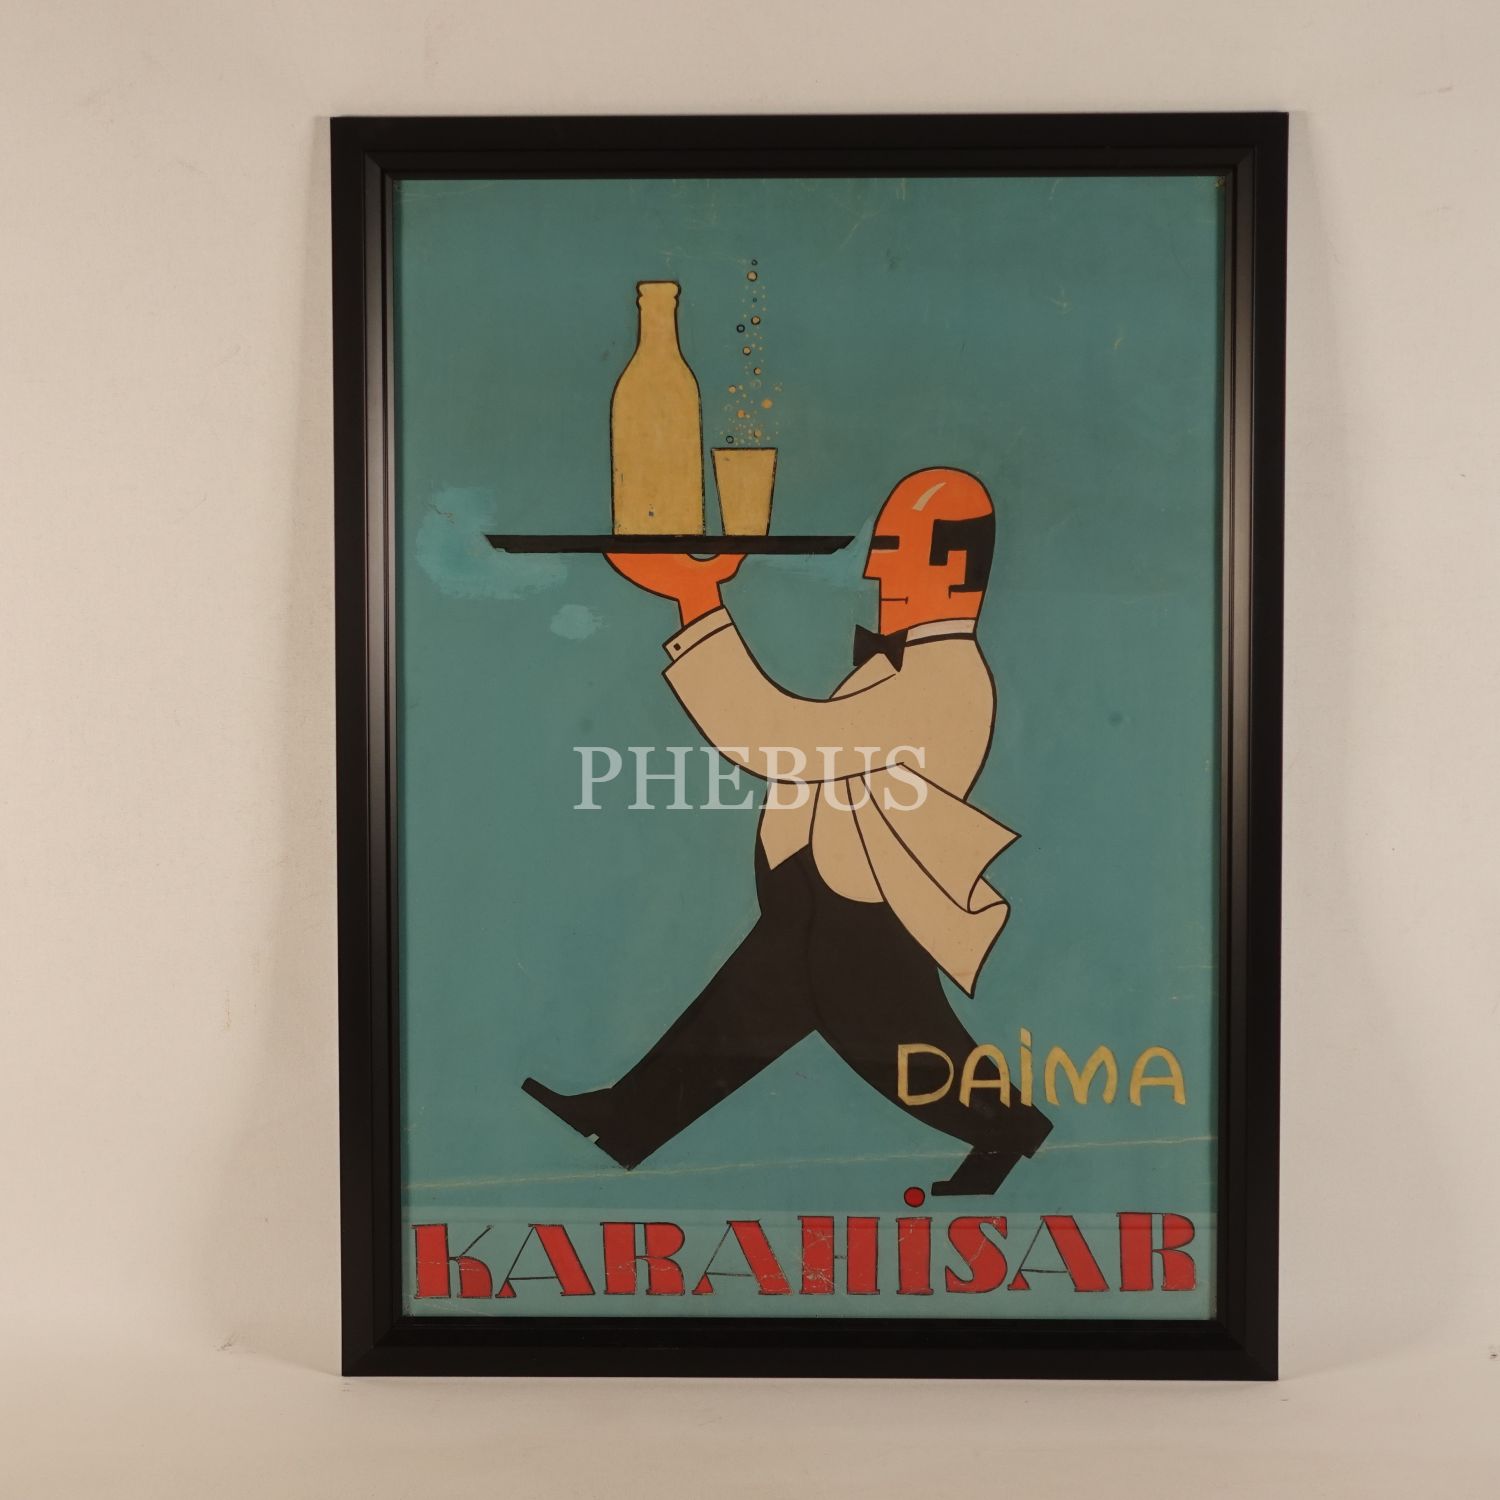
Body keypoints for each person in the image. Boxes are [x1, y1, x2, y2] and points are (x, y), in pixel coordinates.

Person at [523, 467, 1050, 1196]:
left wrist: (698, 600)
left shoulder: (943, 677)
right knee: (739, 1019)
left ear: (954, 567)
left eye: (893, 548)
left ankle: (1013, 1131)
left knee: (900, 1045)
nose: (874, 569)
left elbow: (781, 737)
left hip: (862, 913)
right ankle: (623, 1119)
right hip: (814, 893)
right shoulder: (901, 665)